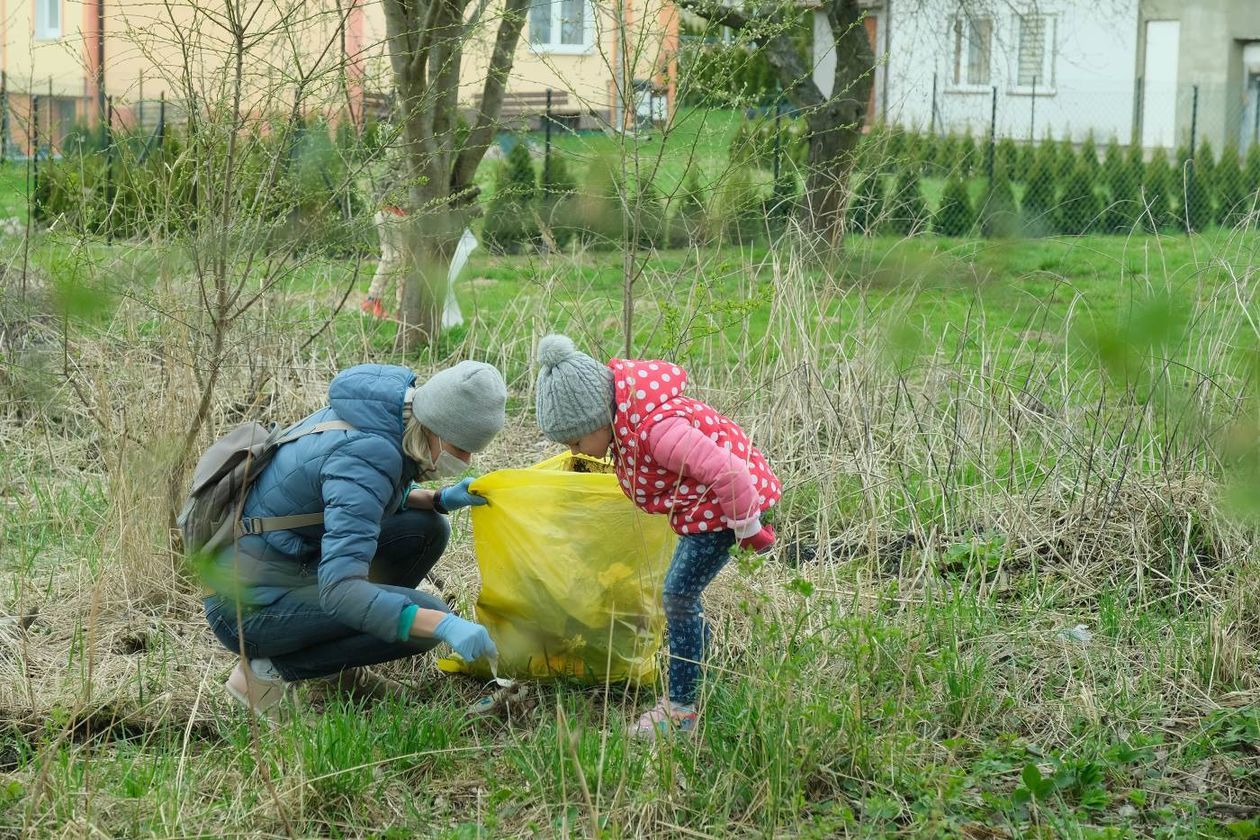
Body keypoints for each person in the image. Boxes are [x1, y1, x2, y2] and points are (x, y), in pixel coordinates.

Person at [203, 361, 507, 714]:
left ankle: (333, 672)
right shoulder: (366, 455)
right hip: (245, 608)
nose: (467, 459)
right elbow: (341, 591)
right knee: (426, 619)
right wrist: (443, 623)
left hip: (283, 563)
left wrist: (439, 499)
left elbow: (344, 497)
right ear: (436, 429)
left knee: (426, 529)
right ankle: (264, 672)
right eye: (461, 447)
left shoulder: (383, 413)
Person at [532, 334, 781, 737]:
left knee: (678, 596)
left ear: (598, 416)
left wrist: (748, 529)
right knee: (683, 595)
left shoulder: (658, 432)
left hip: (726, 509)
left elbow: (729, 472)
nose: (579, 451)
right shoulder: (626, 422)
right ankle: (699, 672)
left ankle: (681, 710)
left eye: (577, 441)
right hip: (706, 510)